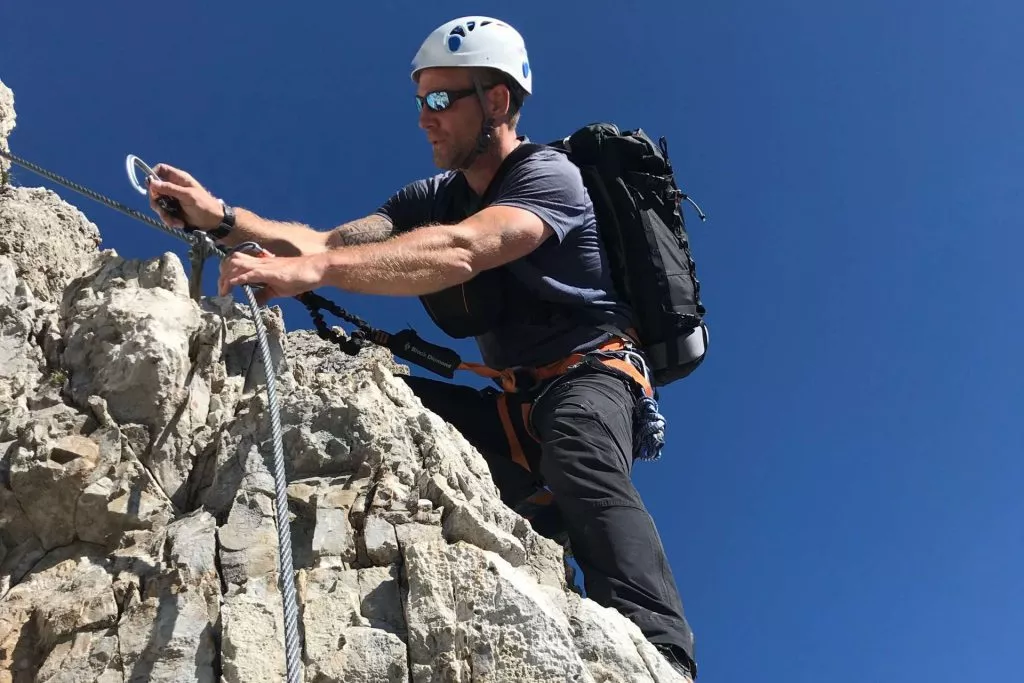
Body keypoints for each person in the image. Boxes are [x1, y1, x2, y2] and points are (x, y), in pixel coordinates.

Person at [147, 16, 698, 680]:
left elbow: (466, 248)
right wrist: (224, 218)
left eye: (440, 100)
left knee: (581, 449)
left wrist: (316, 274)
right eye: (419, 103)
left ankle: (660, 651)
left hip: (591, 373)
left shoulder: (547, 176)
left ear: (497, 101)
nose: (424, 118)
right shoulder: (429, 197)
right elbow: (327, 242)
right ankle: (537, 532)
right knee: (381, 400)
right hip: (514, 401)